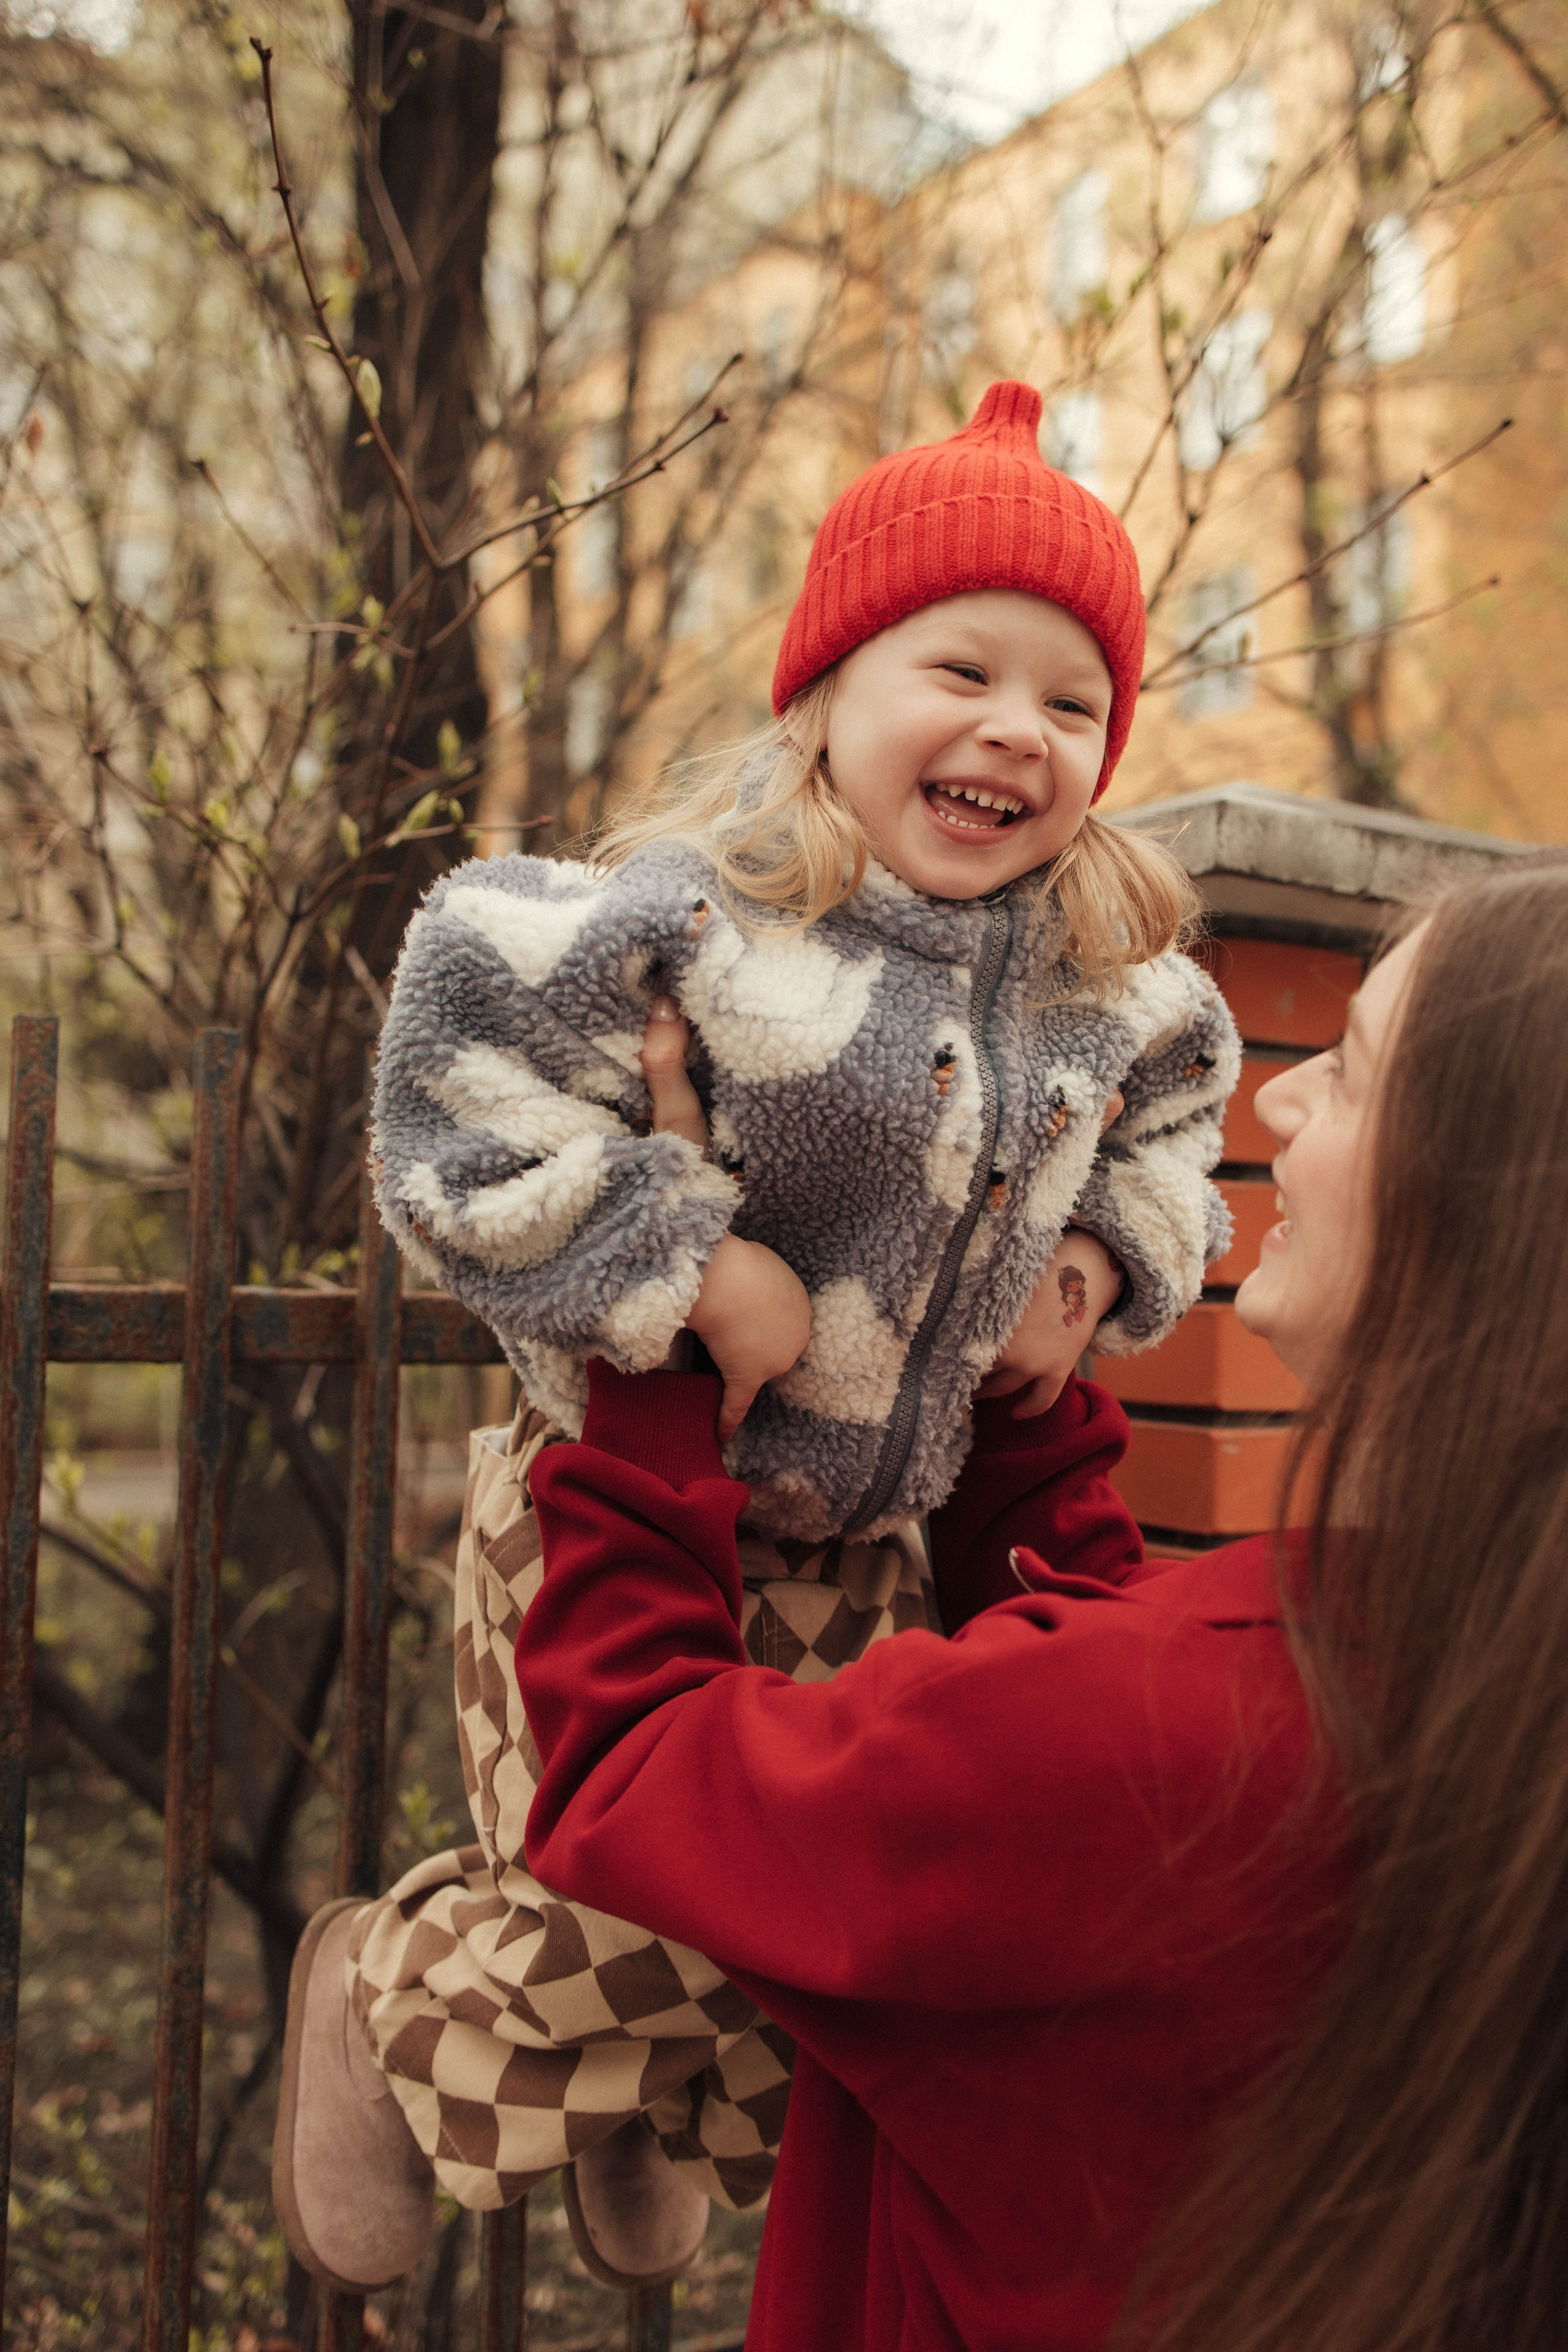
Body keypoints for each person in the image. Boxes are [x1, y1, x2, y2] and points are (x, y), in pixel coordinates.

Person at [271, 380, 1243, 2294]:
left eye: (1072, 703)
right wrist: (680, 1253)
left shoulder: (1112, 986)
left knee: (817, 1912)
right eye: (961, 668)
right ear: (824, 695)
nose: (1014, 732)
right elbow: (447, 1078)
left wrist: (1111, 1263)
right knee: (655, 1887)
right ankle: (384, 2004)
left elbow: (1186, 1128)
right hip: (612, 1505)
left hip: (874, 1537)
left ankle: (621, 2098)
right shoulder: (700, 920)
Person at [500, 862, 1568, 2350]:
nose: (1276, 1104)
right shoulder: (1461, 1683)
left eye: (1353, 1070)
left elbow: (635, 1774)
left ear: (1485, 1213)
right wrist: (1003, 1387)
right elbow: (1102, 1692)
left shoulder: (1170, 1738)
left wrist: (657, 1338)